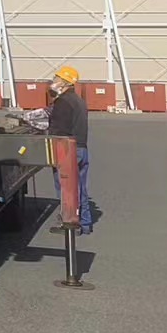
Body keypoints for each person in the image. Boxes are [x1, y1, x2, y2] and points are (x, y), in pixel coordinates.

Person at [46, 65, 93, 235]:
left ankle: (70, 225)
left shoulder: (63, 102)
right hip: (81, 147)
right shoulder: (79, 101)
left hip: (67, 150)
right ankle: (86, 223)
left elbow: (59, 129)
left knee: (66, 190)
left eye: (56, 79)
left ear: (65, 83)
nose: (53, 82)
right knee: (80, 186)